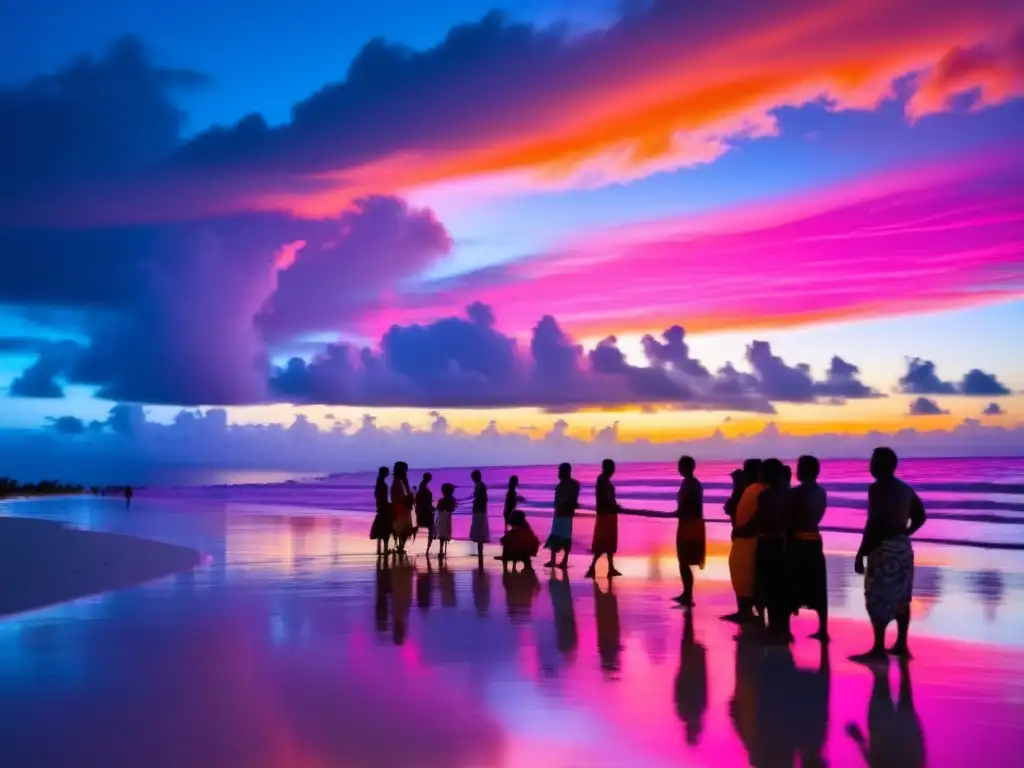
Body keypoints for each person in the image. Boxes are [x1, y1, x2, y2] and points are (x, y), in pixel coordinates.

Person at [851, 447, 927, 663]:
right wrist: (906, 532)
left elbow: (874, 521)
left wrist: (861, 553)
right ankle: (902, 643)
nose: (870, 464)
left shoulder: (877, 488)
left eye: (873, 461)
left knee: (877, 596)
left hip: (883, 547)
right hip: (902, 547)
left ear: (881, 465)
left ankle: (878, 648)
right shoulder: (905, 489)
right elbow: (921, 516)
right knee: (902, 596)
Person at [752, 458, 793, 642]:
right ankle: (783, 629)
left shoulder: (766, 494)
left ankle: (773, 629)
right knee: (783, 588)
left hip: (769, 543)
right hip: (786, 544)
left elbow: (761, 519)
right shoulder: (789, 493)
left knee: (769, 587)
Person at [722, 459, 766, 624]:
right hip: (751, 537)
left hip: (747, 538)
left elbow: (731, 508)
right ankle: (755, 613)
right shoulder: (754, 489)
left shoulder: (750, 490)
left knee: (743, 574)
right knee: (754, 576)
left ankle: (745, 611)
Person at [791, 455, 829, 640]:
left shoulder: (797, 493)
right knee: (818, 584)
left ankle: (785, 627)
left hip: (799, 541)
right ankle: (823, 628)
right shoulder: (822, 492)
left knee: (793, 582)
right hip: (815, 539)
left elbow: (791, 518)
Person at [674, 455, 706, 607]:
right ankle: (686, 593)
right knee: (683, 560)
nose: (678, 468)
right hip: (689, 523)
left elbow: (689, 506)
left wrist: (679, 512)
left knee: (684, 560)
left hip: (690, 524)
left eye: (681, 466)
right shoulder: (690, 483)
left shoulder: (691, 484)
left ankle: (688, 594)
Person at [586, 458, 622, 578]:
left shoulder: (604, 480)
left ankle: (610, 568)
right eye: (612, 468)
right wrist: (615, 506)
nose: (613, 470)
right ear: (606, 468)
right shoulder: (602, 480)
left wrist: (615, 506)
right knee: (602, 543)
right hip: (606, 514)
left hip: (609, 514)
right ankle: (592, 568)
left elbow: (609, 498)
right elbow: (607, 498)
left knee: (609, 543)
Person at [544, 463, 579, 569]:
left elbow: (572, 499)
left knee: (565, 538)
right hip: (559, 513)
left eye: (560, 471)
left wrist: (568, 504)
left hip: (566, 514)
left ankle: (564, 561)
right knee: (555, 536)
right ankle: (554, 560)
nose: (558, 473)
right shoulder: (562, 485)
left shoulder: (572, 484)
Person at [391, 462, 414, 555]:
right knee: (403, 527)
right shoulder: (398, 482)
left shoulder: (400, 481)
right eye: (405, 469)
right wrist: (407, 498)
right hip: (400, 507)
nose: (406, 471)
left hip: (402, 506)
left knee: (403, 527)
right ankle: (400, 546)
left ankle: (400, 546)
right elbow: (397, 496)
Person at [468, 469, 490, 563]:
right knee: (479, 533)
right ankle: (479, 552)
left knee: (480, 532)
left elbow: (483, 499)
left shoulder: (479, 485)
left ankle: (480, 552)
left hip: (479, 511)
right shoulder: (479, 485)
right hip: (480, 510)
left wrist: (476, 503)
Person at [369, 466, 392, 555]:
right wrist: (388, 505)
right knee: (386, 529)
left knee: (380, 528)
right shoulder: (383, 485)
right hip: (384, 508)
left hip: (380, 507)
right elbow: (384, 498)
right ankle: (385, 549)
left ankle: (379, 549)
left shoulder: (379, 484)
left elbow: (378, 497)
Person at [414, 472, 436, 552]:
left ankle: (427, 547)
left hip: (421, 511)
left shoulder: (421, 489)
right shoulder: (425, 490)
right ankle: (428, 548)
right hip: (425, 512)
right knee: (431, 528)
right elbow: (426, 503)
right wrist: (431, 509)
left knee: (418, 527)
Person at [435, 483, 456, 557]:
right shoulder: (452, 499)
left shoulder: (441, 500)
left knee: (442, 534)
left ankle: (441, 551)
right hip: (446, 517)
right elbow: (452, 508)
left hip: (443, 517)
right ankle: (442, 551)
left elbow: (437, 509)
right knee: (445, 533)